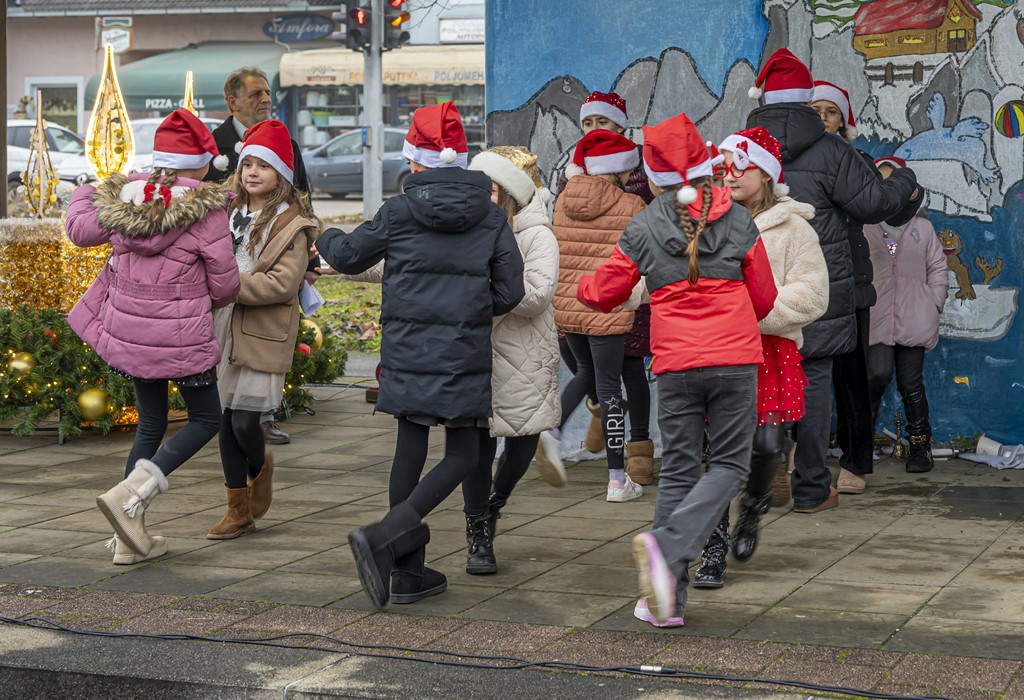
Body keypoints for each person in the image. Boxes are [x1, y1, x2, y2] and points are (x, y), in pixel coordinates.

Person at [314, 102, 525, 609]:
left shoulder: (399, 211)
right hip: (463, 350)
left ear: (414, 162)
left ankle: (405, 569)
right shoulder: (491, 216)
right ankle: (389, 539)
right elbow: (512, 288)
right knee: (466, 452)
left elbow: (345, 256)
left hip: (408, 350)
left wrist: (320, 232)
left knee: (409, 445)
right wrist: (472, 308)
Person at [578, 112, 777, 627]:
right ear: (705, 160)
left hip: (675, 365)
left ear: (654, 170)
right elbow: (764, 297)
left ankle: (661, 603)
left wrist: (580, 286)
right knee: (729, 467)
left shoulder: (644, 224)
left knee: (680, 473)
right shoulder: (738, 218)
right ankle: (665, 550)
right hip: (734, 360)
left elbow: (604, 293)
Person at [745, 49, 919, 513]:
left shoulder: (740, 151)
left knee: (762, 382)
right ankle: (811, 487)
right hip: (816, 287)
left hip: (755, 287)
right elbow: (875, 205)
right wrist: (904, 179)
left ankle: (765, 477)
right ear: (806, 99)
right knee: (816, 385)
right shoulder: (832, 150)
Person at [65, 109, 239, 564]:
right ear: (202, 163)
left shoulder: (127, 197)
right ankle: (135, 492)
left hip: (130, 332)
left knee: (150, 423)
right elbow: (225, 286)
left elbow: (80, 229)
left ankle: (128, 541)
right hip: (183, 336)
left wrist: (89, 188)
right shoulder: (208, 208)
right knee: (206, 419)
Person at [690, 127, 829, 587]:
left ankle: (753, 505)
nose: (729, 175)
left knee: (767, 446)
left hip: (769, 352)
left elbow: (812, 296)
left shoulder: (795, 230)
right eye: (724, 165)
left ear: (766, 175)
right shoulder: (704, 220)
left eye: (741, 165)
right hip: (715, 351)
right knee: (713, 455)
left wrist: (752, 314)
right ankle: (711, 550)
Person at [206, 120, 320, 540]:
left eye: (264, 166)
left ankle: (260, 467)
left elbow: (282, 285)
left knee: (244, 421)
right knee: (223, 419)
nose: (253, 172)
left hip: (263, 329)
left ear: (282, 176)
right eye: (247, 163)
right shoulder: (227, 212)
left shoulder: (293, 226)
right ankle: (237, 508)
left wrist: (227, 286)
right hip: (223, 327)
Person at [810, 80, 922, 495]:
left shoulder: (856, 160)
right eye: (815, 109)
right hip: (801, 280)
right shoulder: (786, 160)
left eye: (831, 111)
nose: (822, 118)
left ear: (844, 122)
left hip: (851, 279)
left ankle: (855, 461)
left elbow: (889, 210)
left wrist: (907, 188)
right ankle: (798, 453)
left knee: (852, 376)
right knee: (795, 373)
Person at [459, 145, 561, 575]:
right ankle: (478, 533)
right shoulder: (463, 229)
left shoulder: (538, 235)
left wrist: (478, 286)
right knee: (476, 448)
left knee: (521, 446)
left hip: (524, 354)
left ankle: (497, 500)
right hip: (476, 352)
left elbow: (537, 295)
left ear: (501, 192)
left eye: (482, 188)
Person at [204, 66, 311, 446]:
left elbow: (303, 198)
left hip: (259, 314)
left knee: (247, 414)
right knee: (225, 417)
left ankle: (260, 430)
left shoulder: (289, 215)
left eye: (267, 93)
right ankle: (240, 497)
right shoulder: (213, 145)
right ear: (233, 102)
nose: (265, 100)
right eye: (255, 94)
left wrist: (308, 265)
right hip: (225, 314)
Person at [544, 128, 647, 502]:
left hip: (569, 304)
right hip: (606, 306)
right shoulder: (633, 205)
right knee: (609, 388)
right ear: (620, 170)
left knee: (585, 373)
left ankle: (552, 431)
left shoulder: (562, 201)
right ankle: (618, 479)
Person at [865, 157, 948, 473]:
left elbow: (938, 268)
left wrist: (933, 302)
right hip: (876, 317)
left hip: (915, 318)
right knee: (876, 375)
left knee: (911, 383)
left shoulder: (923, 228)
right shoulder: (865, 224)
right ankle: (861, 444)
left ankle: (920, 446)